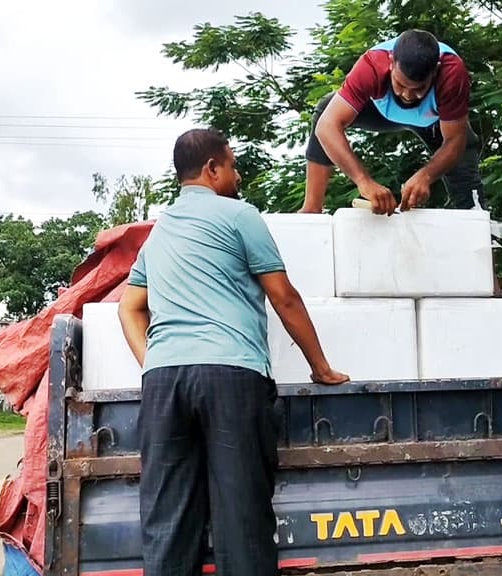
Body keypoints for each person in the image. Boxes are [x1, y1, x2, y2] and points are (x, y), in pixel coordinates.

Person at [118, 127, 350, 576]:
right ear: (212, 168)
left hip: (165, 381)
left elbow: (129, 308)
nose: (237, 174)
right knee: (241, 517)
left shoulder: (160, 233)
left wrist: (154, 363)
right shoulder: (240, 216)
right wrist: (320, 368)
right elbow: (283, 297)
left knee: (167, 523)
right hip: (229, 375)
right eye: (232, 165)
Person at [301, 29, 485, 216]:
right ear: (390, 62)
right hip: (381, 111)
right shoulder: (371, 66)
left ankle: (475, 219)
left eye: (419, 89)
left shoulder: (452, 73)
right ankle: (311, 209)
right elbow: (327, 126)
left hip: (434, 120)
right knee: (326, 110)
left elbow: (454, 141)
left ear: (436, 70)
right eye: (400, 84)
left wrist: (426, 176)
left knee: (463, 148)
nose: (407, 95)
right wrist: (363, 181)